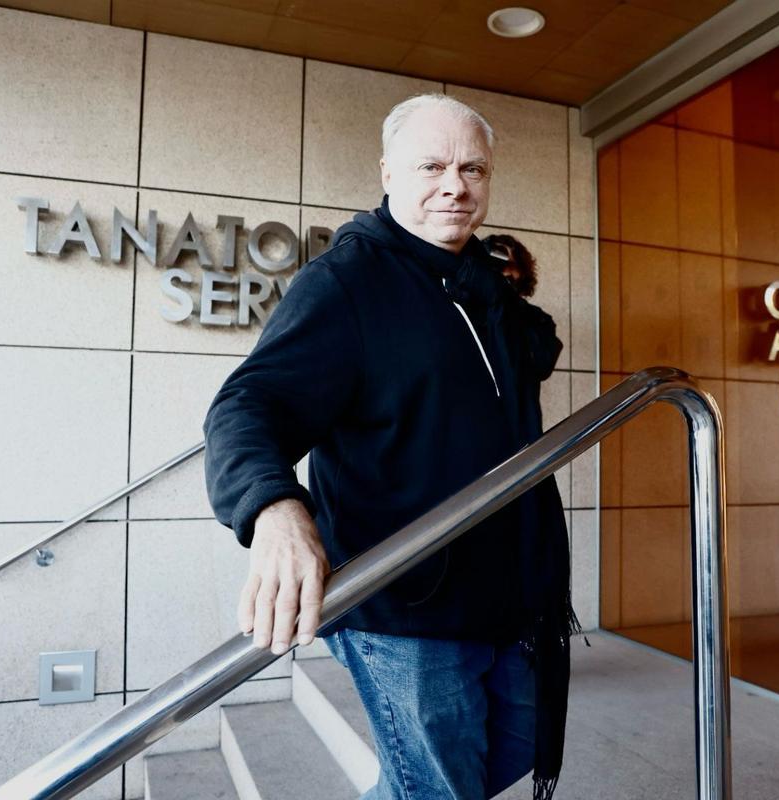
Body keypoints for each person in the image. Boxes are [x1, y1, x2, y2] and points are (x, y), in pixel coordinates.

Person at [203, 94, 576, 800]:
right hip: (406, 598)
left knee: (515, 744)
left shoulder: (474, 284)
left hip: (512, 586)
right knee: (440, 788)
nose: (455, 186)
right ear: (387, 171)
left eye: (474, 169)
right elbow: (249, 404)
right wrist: (275, 510)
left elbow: (537, 350)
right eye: (432, 165)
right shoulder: (347, 281)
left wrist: (495, 288)